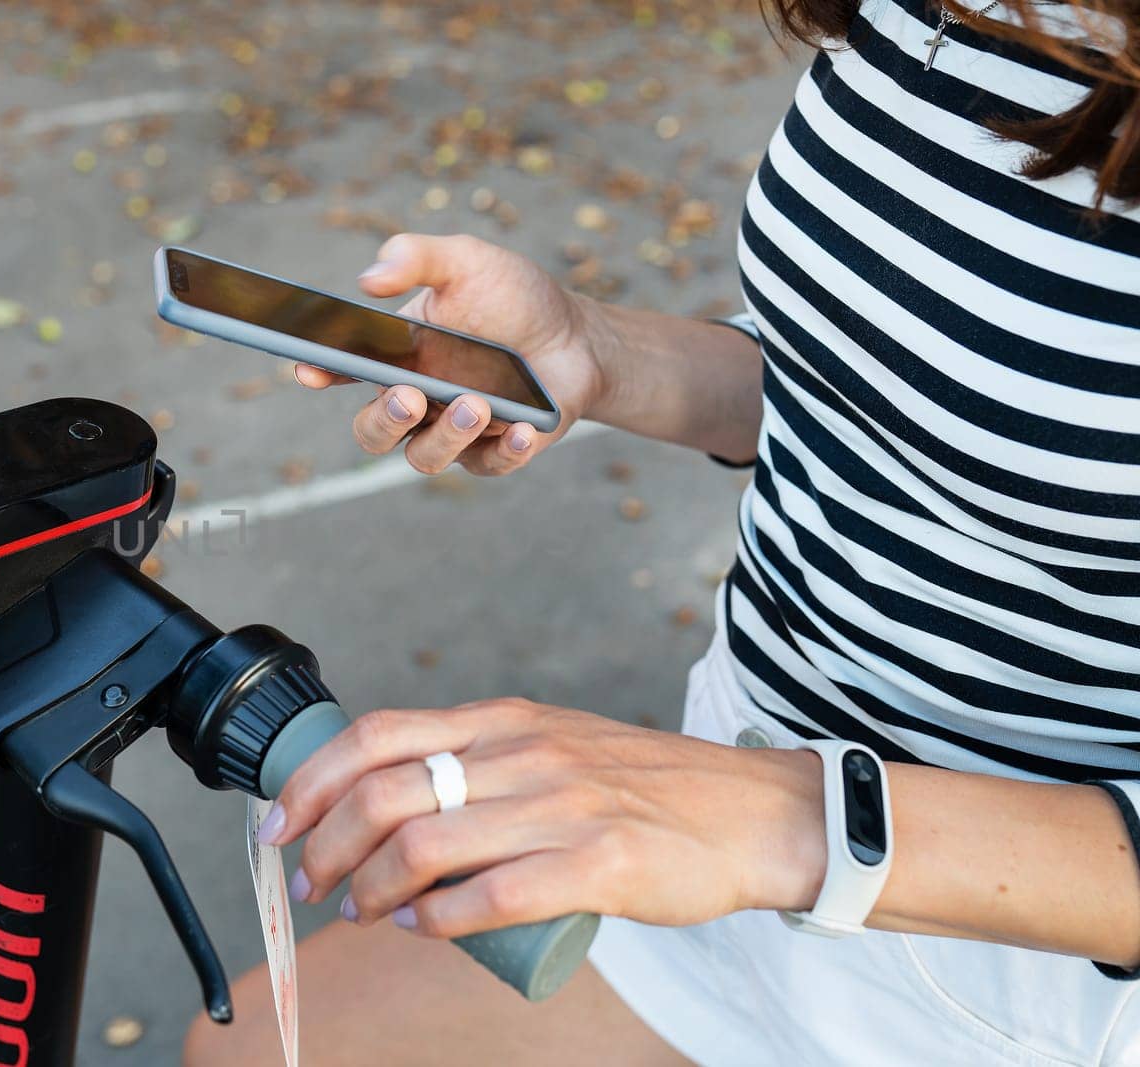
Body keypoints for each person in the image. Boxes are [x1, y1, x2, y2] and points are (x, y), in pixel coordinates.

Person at [183, 0, 1140, 1060]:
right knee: (247, 1046)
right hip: (725, 809)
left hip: (1019, 961)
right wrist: (591, 351)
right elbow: (879, 400)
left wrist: (784, 820)